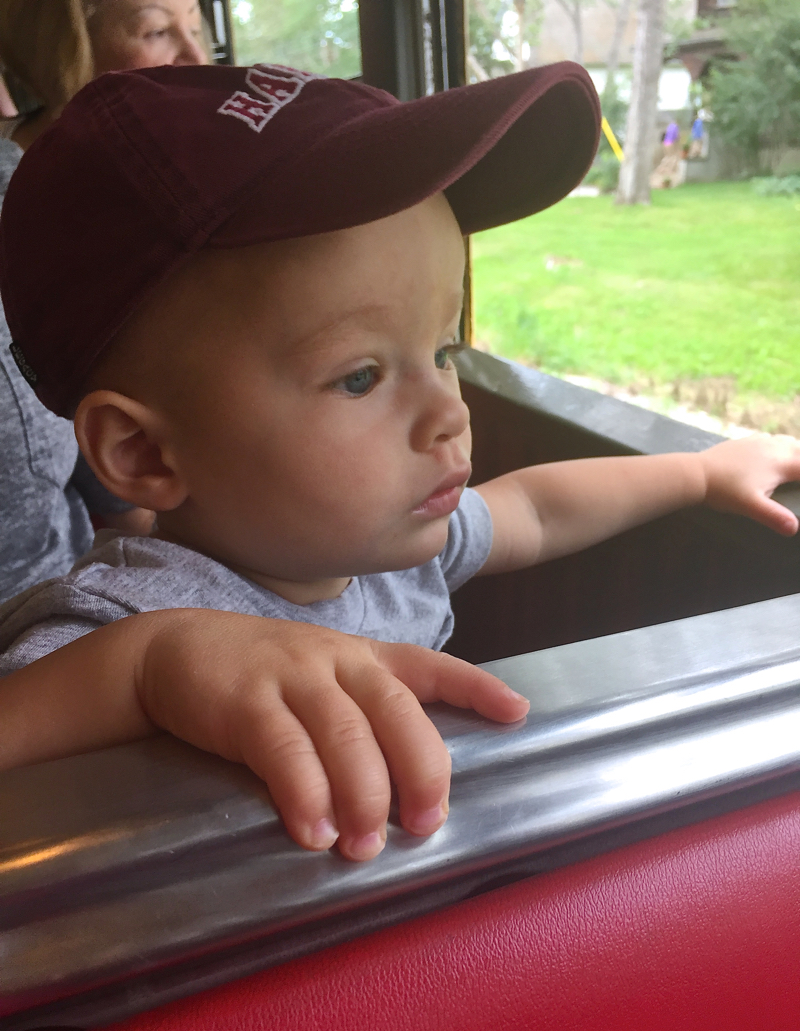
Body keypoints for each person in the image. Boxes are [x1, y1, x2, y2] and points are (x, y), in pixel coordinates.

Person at [3, 63, 800, 864]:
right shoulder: (116, 620)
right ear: (143, 451)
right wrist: (147, 668)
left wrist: (700, 473)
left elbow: (537, 509)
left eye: (444, 349)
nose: (451, 412)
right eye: (361, 376)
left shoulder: (382, 549)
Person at [0, 0, 206, 601]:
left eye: (198, 29)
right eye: (157, 30)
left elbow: (118, 493)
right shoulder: (40, 212)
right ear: (62, 50)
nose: (197, 59)